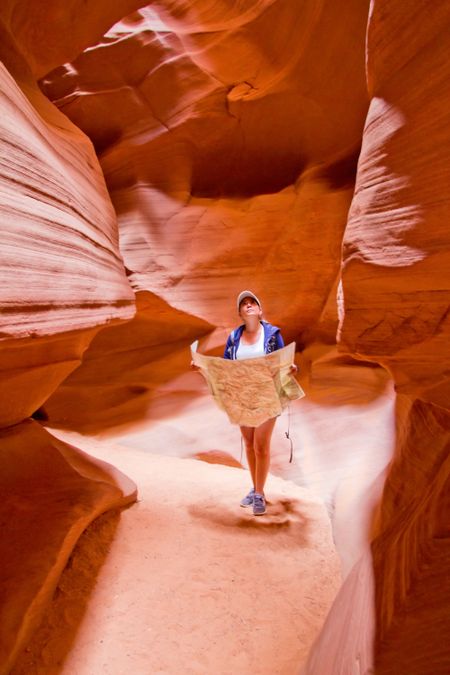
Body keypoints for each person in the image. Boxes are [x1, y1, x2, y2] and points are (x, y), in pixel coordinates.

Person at [224, 290, 297, 516]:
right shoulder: (234, 338)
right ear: (240, 313)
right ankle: (255, 486)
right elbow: (225, 367)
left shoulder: (273, 335)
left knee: (261, 446)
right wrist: (202, 369)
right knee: (248, 444)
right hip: (244, 396)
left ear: (260, 310)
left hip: (267, 395)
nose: (248, 305)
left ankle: (259, 493)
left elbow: (283, 363)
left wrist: (290, 369)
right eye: (243, 304)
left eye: (252, 302)